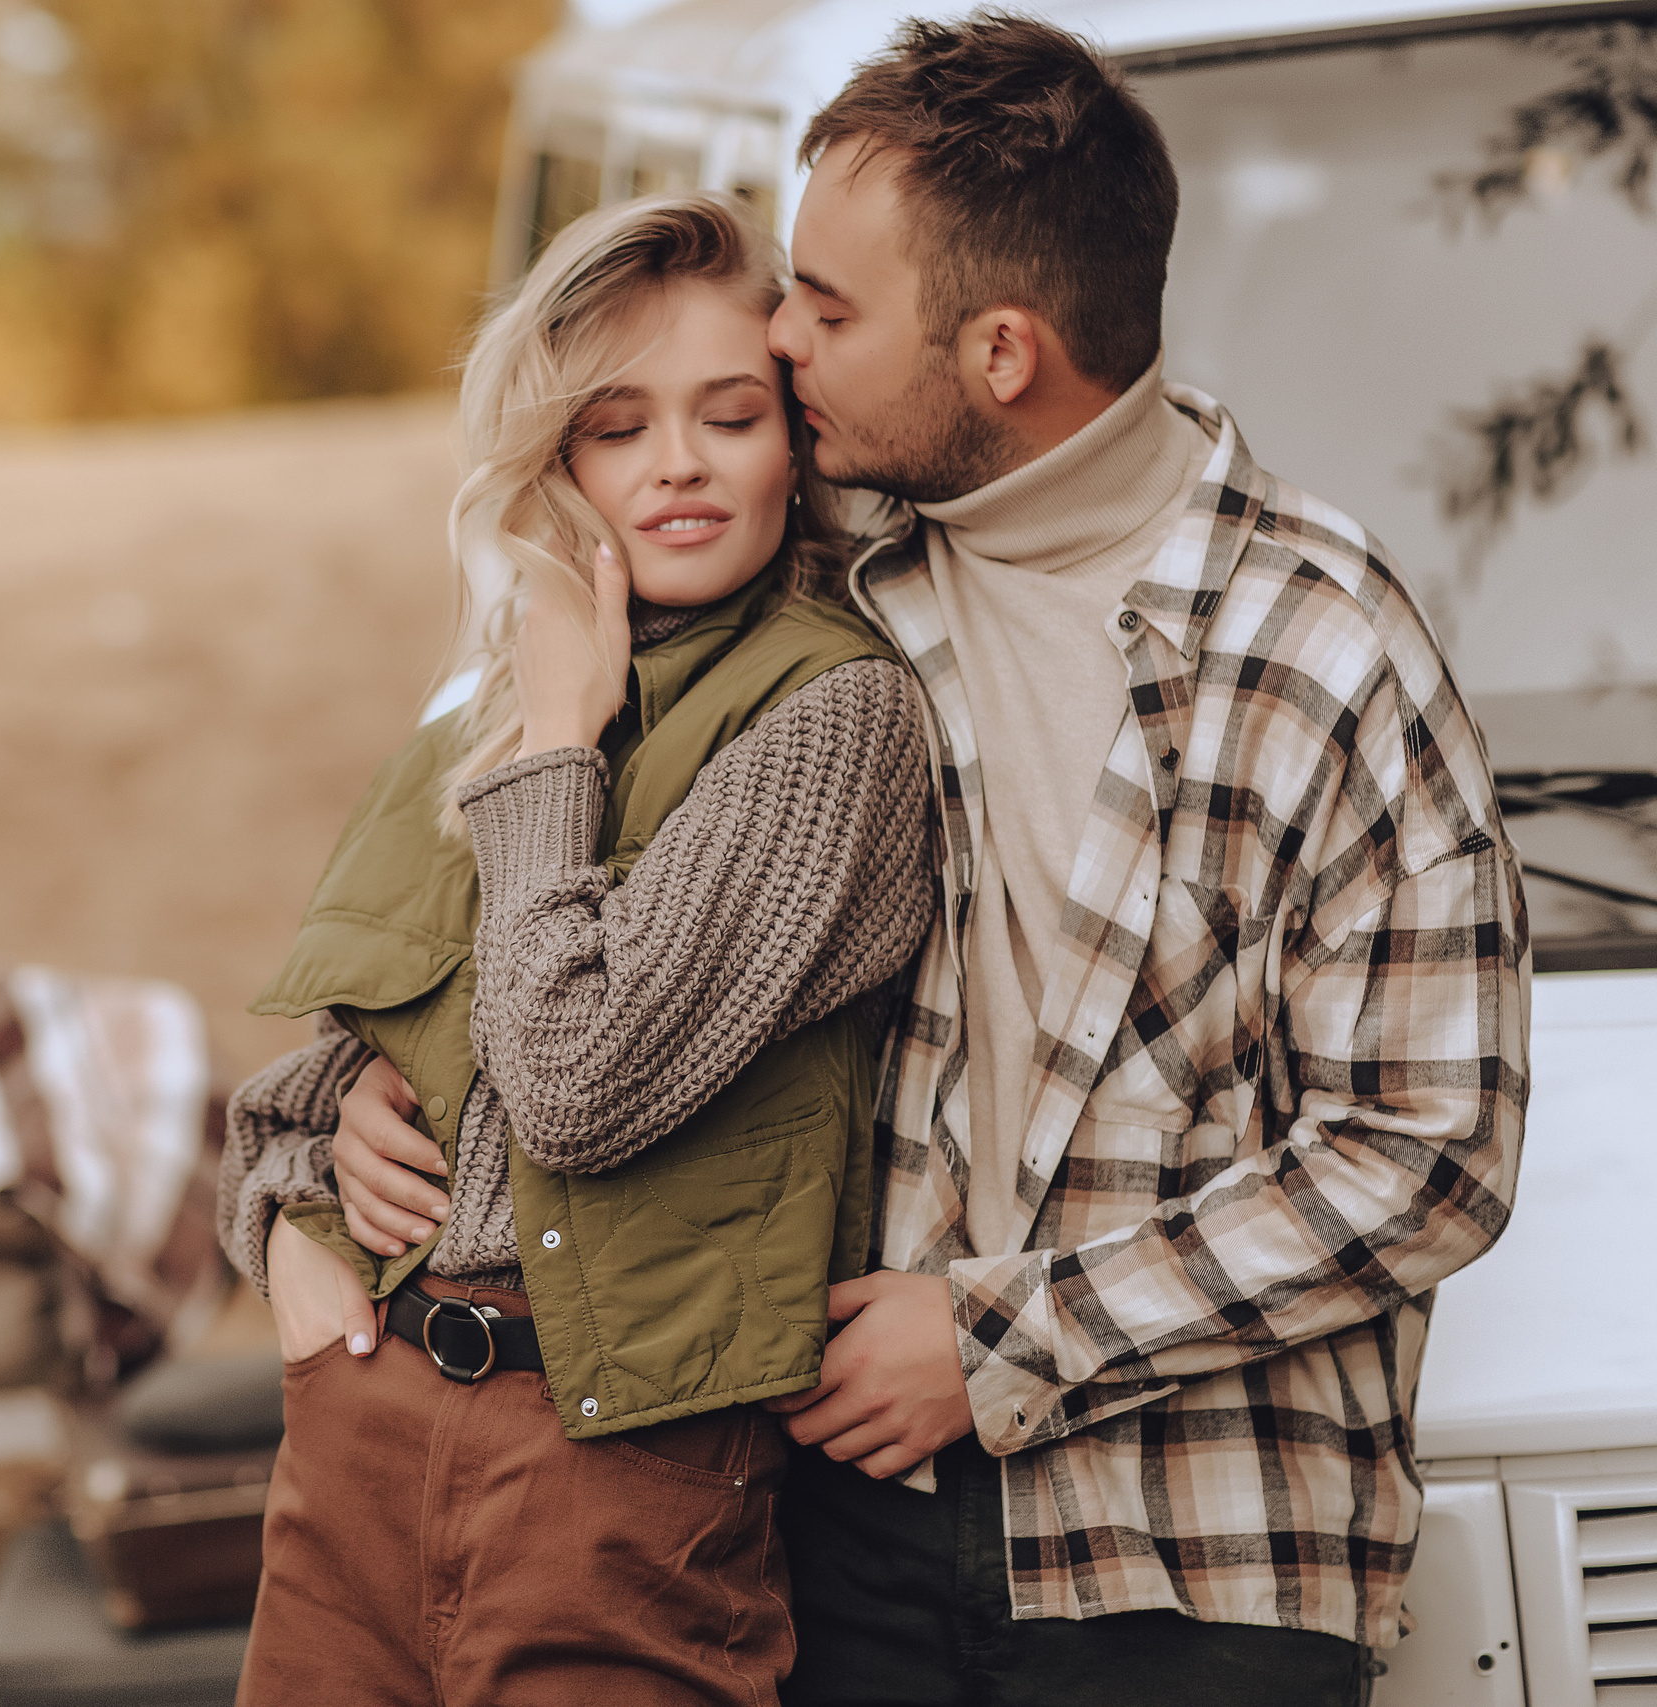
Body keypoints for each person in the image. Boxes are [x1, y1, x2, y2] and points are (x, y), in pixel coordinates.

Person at [330, 14, 1529, 1707]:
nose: (779, 336)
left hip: (1196, 1554)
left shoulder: (1323, 648)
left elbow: (1430, 1149)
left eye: (827, 307)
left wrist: (1003, 1345)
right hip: (830, 1510)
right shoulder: (822, 576)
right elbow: (543, 855)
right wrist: (367, 1087)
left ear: (1003, 352)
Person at [214, 193, 936, 1706]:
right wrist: (288, 1219)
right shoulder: (517, 689)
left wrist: (558, 741)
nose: (677, 463)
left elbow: (574, 1081)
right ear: (559, 464)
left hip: (615, 1474)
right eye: (616, 428)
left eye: (729, 416)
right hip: (361, 1427)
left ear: (794, 442)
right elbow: (327, 1078)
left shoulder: (830, 717)